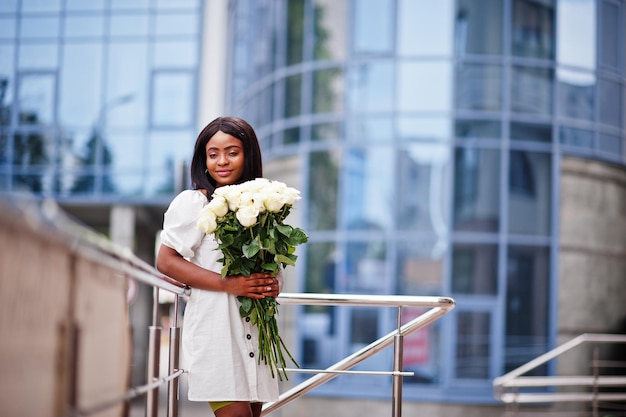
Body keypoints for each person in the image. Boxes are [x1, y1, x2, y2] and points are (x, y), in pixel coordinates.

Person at [156, 116, 282, 417]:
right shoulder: (193, 203)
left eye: (232, 152)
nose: (221, 162)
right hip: (216, 332)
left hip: (255, 331)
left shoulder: (263, 204)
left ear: (248, 155)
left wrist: (273, 283)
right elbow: (166, 260)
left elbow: (272, 264)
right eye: (213, 154)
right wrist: (230, 284)